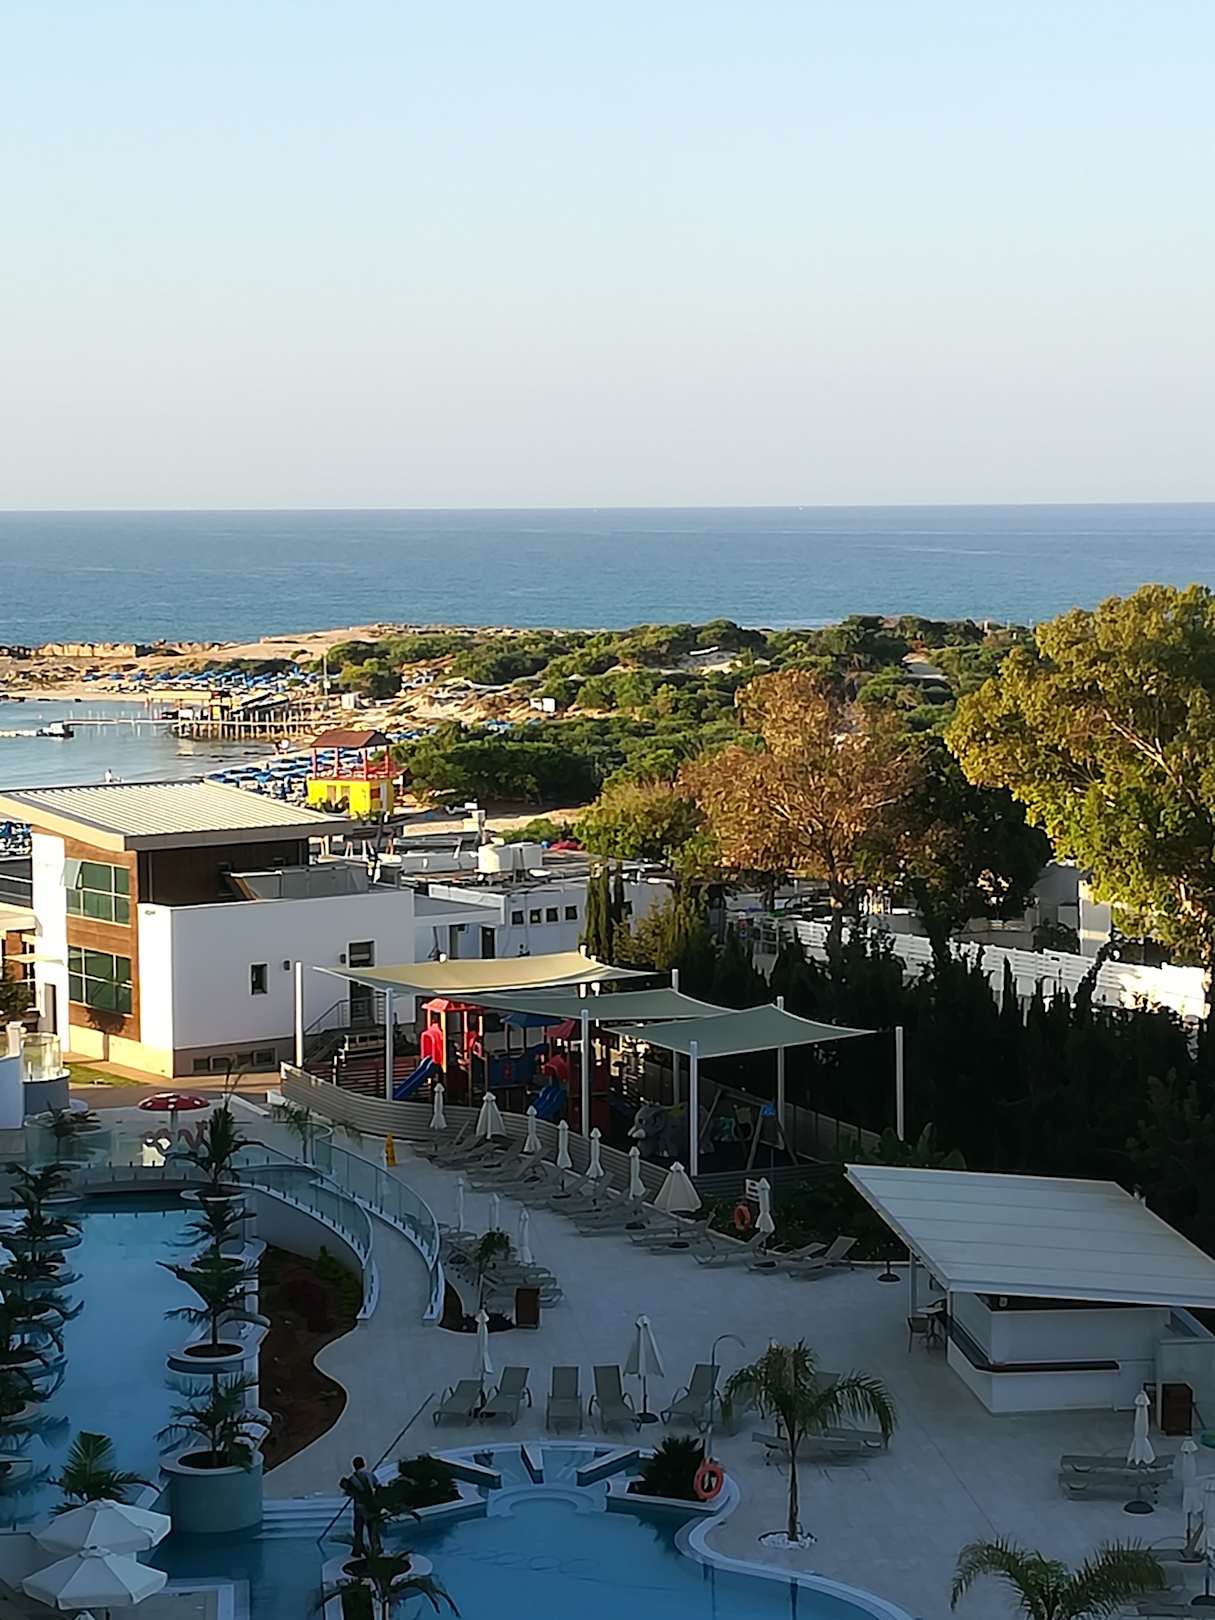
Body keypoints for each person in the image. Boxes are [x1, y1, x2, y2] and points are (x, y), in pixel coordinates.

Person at [340, 1456, 379, 1557]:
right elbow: (378, 1486)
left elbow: (348, 1493)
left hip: (359, 1507)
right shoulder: (370, 1475)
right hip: (371, 1506)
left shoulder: (352, 1479)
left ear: (354, 1466)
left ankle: (357, 1550)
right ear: (364, 1464)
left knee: (358, 1529)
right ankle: (376, 1549)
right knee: (372, 1529)